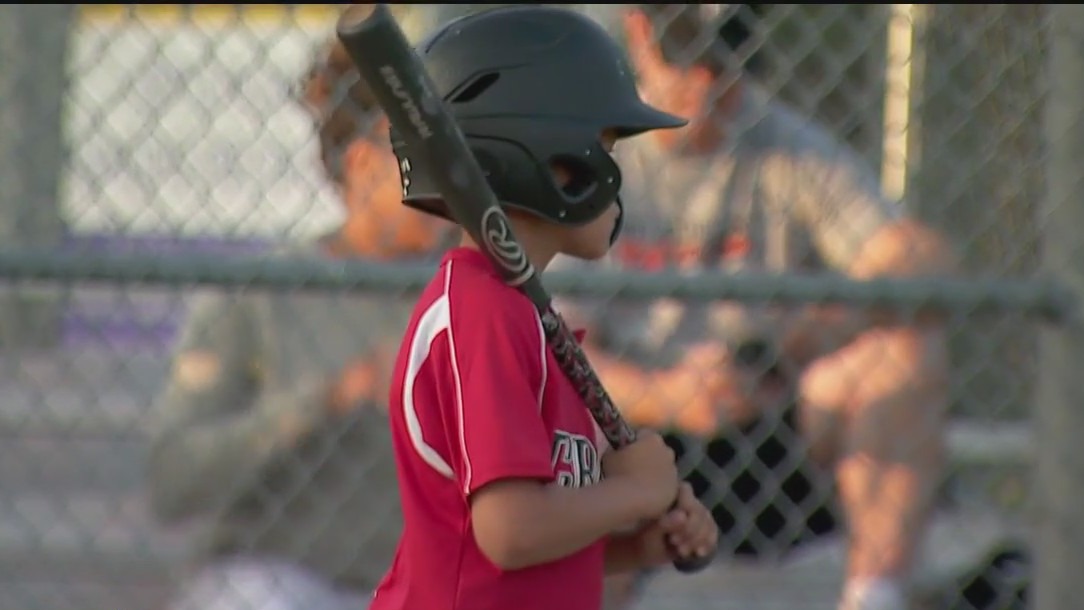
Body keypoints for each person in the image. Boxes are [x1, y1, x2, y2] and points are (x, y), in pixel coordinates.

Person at [552, 5, 957, 610]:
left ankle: (876, 597)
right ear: (639, 35)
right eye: (691, 59)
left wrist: (803, 335)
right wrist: (670, 396)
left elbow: (921, 259)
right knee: (565, 431)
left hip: (770, 418)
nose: (712, 83)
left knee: (904, 355)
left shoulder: (785, 144)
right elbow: (547, 346)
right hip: (640, 428)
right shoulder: (593, 160)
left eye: (729, 60)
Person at [367, 7, 718, 610]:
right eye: (607, 145)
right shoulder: (482, 314)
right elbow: (511, 531)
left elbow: (528, 548)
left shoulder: (525, 316)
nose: (621, 173)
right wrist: (636, 494)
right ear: (548, 156)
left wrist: (638, 546)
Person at [146, 32, 453, 610]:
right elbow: (173, 481)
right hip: (287, 576)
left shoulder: (475, 287)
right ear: (363, 164)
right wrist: (333, 397)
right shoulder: (260, 296)